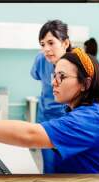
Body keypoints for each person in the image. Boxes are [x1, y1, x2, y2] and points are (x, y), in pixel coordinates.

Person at [30, 20, 72, 173]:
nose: (46, 49)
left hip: (68, 122)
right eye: (42, 44)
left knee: (66, 165)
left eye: (51, 43)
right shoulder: (41, 59)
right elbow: (35, 74)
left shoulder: (76, 64)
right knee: (49, 167)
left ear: (65, 43)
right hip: (46, 120)